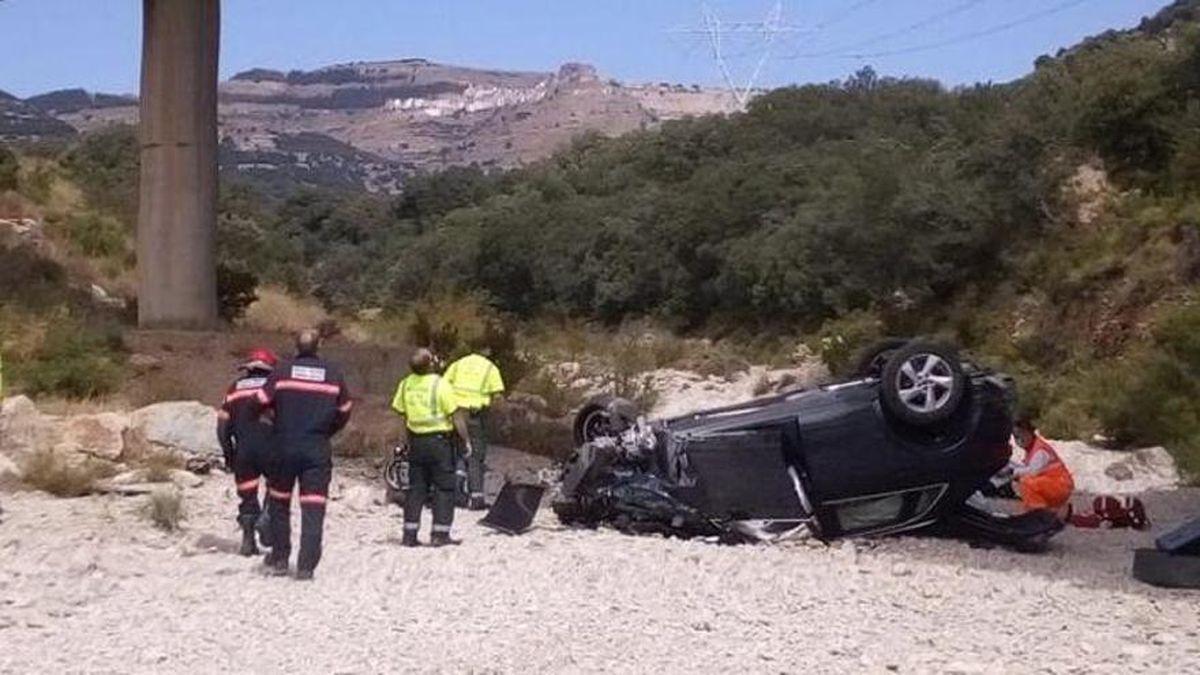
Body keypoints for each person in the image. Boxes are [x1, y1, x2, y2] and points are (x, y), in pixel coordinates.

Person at [259, 329, 353, 580]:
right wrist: (327, 430)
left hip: (284, 446)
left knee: (279, 502)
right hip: (316, 449)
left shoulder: (281, 371)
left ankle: (280, 558)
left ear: (296, 346)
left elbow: (258, 402)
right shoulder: (333, 374)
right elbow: (345, 410)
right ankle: (306, 566)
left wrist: (273, 422)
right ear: (319, 346)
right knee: (313, 507)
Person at [391, 348, 474, 547]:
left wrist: (402, 443)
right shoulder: (440, 384)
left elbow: (402, 417)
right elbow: (455, 415)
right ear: (430, 364)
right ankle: (440, 534)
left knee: (415, 489)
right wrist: (466, 440)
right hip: (439, 442)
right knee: (444, 488)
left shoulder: (405, 385)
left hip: (416, 442)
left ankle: (409, 535)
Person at [216, 348, 279, 556]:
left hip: (244, 451)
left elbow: (222, 427)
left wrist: (229, 454)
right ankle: (268, 519)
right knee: (276, 488)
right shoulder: (276, 387)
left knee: (247, 496)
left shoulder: (234, 389)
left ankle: (248, 541)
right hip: (272, 448)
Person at [444, 350, 505, 510]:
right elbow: (497, 396)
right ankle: (476, 497)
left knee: (460, 450)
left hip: (455, 413)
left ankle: (456, 491)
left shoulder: (457, 365)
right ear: (485, 351)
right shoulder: (489, 368)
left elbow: (444, 387)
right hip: (475, 416)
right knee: (476, 455)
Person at [1010, 417, 1074, 516]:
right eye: (1016, 437)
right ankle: (1047, 511)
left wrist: (1014, 472)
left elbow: (1033, 471)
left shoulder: (1040, 450)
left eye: (1022, 435)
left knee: (1027, 482)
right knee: (1026, 480)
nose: (1019, 440)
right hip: (1055, 484)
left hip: (1059, 486)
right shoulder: (1032, 448)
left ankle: (1038, 513)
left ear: (1030, 433)